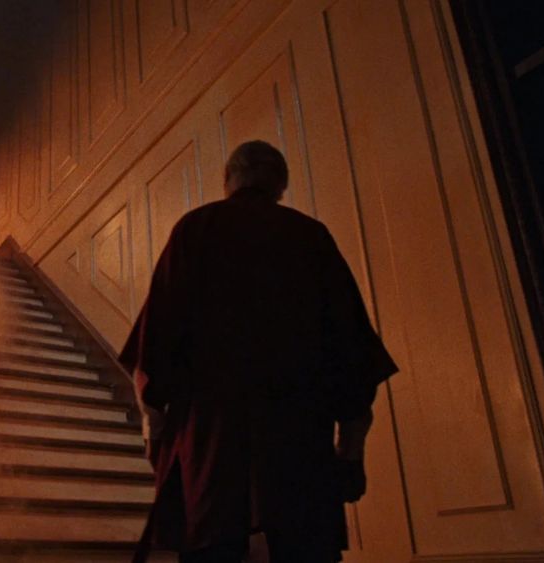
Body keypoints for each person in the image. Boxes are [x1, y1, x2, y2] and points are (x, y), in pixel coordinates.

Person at [120, 140, 398, 563]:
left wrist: (155, 435)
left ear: (228, 180)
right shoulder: (311, 237)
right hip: (300, 445)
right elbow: (353, 357)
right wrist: (349, 454)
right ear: (280, 185)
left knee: (212, 548)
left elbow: (152, 353)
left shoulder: (194, 229)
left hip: (209, 450)